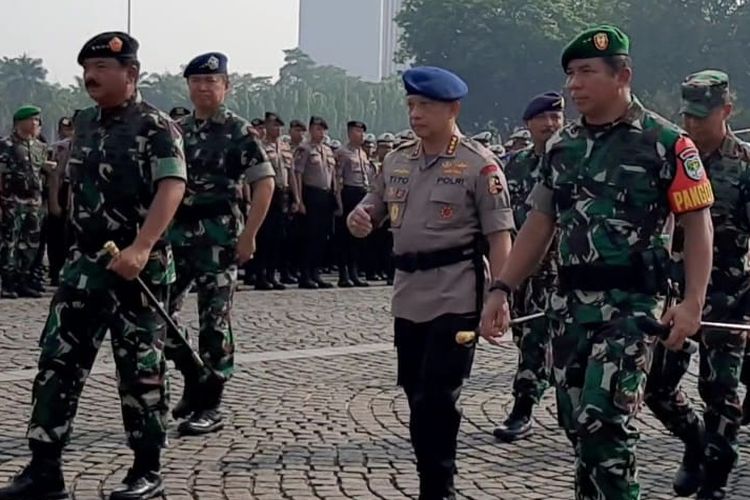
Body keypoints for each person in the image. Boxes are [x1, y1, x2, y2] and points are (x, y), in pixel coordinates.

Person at [480, 25, 714, 499]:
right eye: (570, 74)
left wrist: (692, 302)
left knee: (605, 426)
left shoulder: (665, 142)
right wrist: (502, 288)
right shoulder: (562, 148)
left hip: (632, 309)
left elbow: (698, 225)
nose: (574, 84)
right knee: (577, 426)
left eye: (586, 72)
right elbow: (539, 224)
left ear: (622, 74)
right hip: (569, 310)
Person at [0, 31, 187, 499]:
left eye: (103, 68)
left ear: (132, 74)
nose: (91, 76)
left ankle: (147, 469)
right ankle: (44, 467)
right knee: (56, 363)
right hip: (84, 265)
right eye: (88, 68)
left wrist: (142, 246)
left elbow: (172, 186)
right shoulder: (83, 122)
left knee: (140, 369)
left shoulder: (157, 126)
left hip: (136, 267)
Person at [347, 66, 513, 499]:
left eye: (426, 106)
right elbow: (375, 203)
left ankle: (439, 488)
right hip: (409, 296)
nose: (416, 114)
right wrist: (360, 216)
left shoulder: (479, 166)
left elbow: (500, 237)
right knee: (415, 394)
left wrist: (501, 294)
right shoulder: (397, 159)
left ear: (453, 109)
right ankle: (432, 482)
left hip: (456, 294)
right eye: (412, 105)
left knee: (438, 396)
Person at [644, 70, 749, 499]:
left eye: (702, 116)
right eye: (687, 114)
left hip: (731, 295)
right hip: (677, 294)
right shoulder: (672, 156)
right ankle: (695, 443)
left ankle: (716, 477)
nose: (692, 124)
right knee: (657, 390)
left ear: (727, 110)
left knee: (720, 391)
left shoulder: (743, 166)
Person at [166, 52, 275, 436]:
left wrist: (250, 235)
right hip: (177, 234)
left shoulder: (238, 131)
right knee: (157, 313)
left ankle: (210, 401)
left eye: (211, 81)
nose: (203, 87)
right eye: (196, 81)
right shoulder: (176, 129)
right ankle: (193, 375)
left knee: (214, 320)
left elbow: (265, 183)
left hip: (219, 234)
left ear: (225, 87)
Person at [493, 91, 564, 442]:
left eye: (556, 118)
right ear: (529, 124)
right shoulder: (513, 166)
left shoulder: (571, 160)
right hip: (520, 269)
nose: (550, 125)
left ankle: (523, 407)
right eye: (543, 119)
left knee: (541, 338)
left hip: (562, 270)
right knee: (526, 338)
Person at [0, 105, 54, 299]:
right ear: (19, 123)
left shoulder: (40, 147)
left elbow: (42, 174)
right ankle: (7, 283)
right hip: (11, 202)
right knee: (9, 244)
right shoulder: (6, 145)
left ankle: (24, 281)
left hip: (34, 203)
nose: (36, 123)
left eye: (37, 120)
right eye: (32, 120)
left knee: (30, 245)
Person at [292, 116, 339, 289]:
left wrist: (335, 198)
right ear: (311, 130)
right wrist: (299, 199)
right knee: (309, 237)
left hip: (325, 196)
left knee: (322, 237)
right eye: (318, 129)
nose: (321, 133)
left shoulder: (327, 150)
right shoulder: (304, 149)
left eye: (324, 130)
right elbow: (297, 174)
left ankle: (316, 273)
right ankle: (305, 275)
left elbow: (333, 175)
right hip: (310, 194)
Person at [255, 111, 294, 290]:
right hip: (266, 193)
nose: (277, 129)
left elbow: (291, 173)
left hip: (283, 193)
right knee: (265, 236)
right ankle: (260, 275)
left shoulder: (285, 147)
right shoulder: (260, 146)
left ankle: (272, 274)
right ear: (266, 127)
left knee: (279, 237)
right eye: (273, 125)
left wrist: (296, 197)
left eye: (279, 126)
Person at [335, 121, 371, 287]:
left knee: (358, 236)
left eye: (362, 132)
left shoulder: (362, 153)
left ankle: (354, 272)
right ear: (349, 133)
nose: (361, 135)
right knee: (345, 237)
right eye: (357, 131)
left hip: (361, 194)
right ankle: (343, 274)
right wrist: (339, 202)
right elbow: (338, 179)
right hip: (348, 193)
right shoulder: (343, 152)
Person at [46, 116, 76, 286]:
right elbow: (55, 175)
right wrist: (54, 201)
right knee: (57, 235)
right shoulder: (59, 148)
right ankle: (55, 271)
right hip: (62, 191)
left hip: (79, 193)